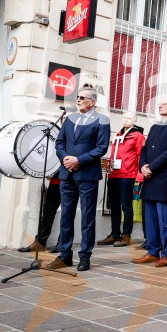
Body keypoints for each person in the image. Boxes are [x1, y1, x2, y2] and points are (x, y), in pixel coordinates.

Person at [47, 88, 110, 272]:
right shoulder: (70, 119)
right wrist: (66, 158)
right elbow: (59, 143)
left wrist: (79, 160)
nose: (78, 99)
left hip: (87, 174)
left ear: (93, 102)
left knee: (87, 217)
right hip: (67, 174)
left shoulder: (102, 120)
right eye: (77, 97)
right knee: (66, 215)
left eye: (82, 97)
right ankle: (65, 254)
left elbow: (101, 147)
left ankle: (84, 256)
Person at [132, 96, 167, 267]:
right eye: (159, 104)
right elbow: (144, 149)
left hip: (164, 177)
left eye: (164, 104)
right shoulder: (155, 126)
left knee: (165, 219)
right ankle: (152, 251)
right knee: (150, 218)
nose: (160, 105)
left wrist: (152, 167)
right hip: (149, 177)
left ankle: (165, 253)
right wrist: (143, 166)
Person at [98, 112, 145, 248]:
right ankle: (115, 234)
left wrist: (138, 176)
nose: (126, 120)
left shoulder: (137, 135)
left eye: (129, 118)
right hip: (114, 174)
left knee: (126, 206)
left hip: (127, 175)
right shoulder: (118, 133)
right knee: (114, 206)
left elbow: (140, 156)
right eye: (124, 117)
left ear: (135, 121)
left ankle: (126, 235)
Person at [17, 174, 62, 253]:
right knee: (48, 212)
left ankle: (62, 244)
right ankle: (40, 243)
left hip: (70, 181)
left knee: (67, 214)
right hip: (55, 181)